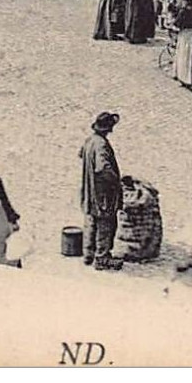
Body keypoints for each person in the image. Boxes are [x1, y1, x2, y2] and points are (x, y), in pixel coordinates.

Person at [79, 112, 123, 271]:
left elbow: (81, 154)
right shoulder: (102, 145)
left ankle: (88, 254)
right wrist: (116, 181)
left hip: (89, 190)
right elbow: (102, 167)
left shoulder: (89, 141)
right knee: (105, 223)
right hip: (102, 193)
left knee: (90, 221)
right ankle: (102, 258)